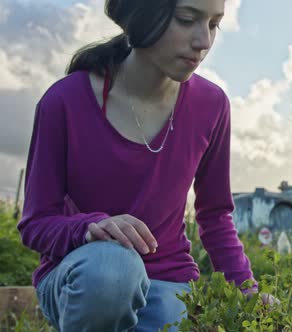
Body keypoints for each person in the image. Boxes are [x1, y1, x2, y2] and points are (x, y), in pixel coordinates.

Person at [17, 0, 277, 331]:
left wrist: (248, 294)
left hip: (168, 281)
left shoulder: (212, 106)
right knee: (112, 270)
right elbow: (36, 223)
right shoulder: (64, 101)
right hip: (80, 277)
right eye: (186, 20)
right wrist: (89, 228)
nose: (203, 42)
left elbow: (214, 215)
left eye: (214, 25)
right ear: (144, 14)